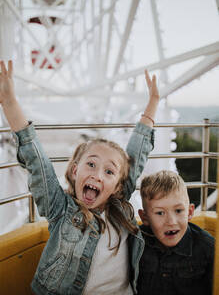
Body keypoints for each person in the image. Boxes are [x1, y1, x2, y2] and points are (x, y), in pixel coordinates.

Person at [0, 60, 159, 295]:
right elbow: (36, 161)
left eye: (109, 171)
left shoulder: (120, 205)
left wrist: (153, 103)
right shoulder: (60, 209)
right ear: (75, 170)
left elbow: (137, 152)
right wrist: (10, 103)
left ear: (118, 185)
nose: (97, 174)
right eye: (91, 164)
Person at [137, 170, 215, 295]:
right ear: (145, 217)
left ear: (189, 212)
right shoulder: (136, 241)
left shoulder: (208, 248)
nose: (171, 222)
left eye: (178, 211)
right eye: (160, 213)